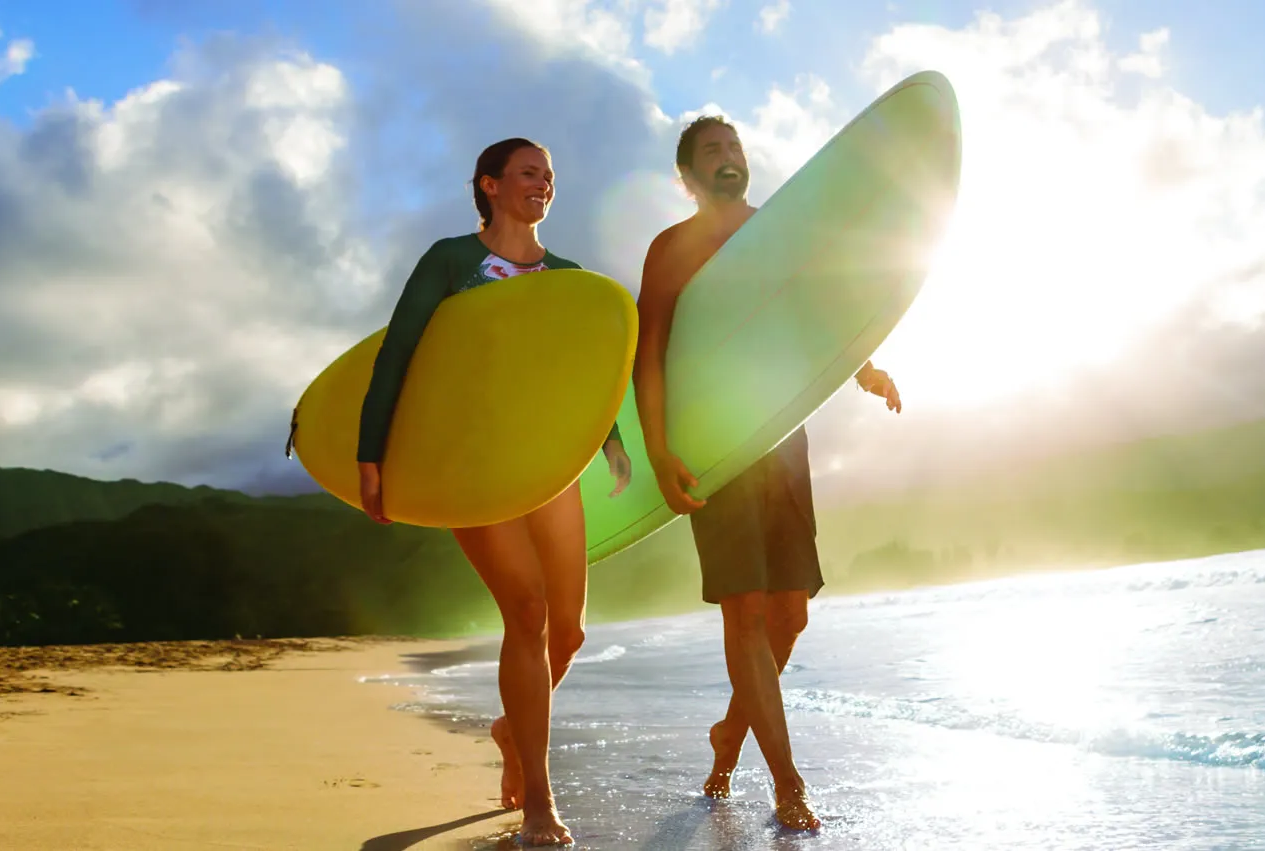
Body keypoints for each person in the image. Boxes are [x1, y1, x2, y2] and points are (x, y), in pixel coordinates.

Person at [356, 137, 632, 847]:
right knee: (529, 610)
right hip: (473, 462)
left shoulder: (569, 277)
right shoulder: (451, 261)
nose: (543, 183)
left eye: (549, 174)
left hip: (550, 466)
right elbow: (401, 349)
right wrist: (371, 451)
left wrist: (612, 442)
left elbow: (586, 375)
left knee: (567, 632)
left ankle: (513, 729)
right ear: (489, 184)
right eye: (528, 172)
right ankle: (540, 799)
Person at [634, 115, 903, 832]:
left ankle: (730, 733)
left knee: (791, 612)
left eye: (735, 148)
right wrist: (659, 451)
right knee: (745, 608)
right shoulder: (672, 249)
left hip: (781, 439)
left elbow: (814, 319)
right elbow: (649, 354)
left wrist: (866, 367)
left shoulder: (778, 230)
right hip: (713, 444)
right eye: (711, 151)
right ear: (686, 175)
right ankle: (788, 784)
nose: (729, 158)